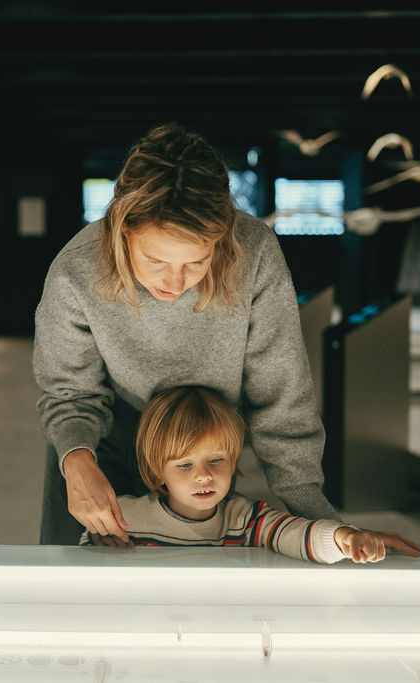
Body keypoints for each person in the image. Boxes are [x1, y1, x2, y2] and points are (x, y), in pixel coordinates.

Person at [34, 121, 340, 546]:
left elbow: (281, 392)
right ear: (123, 230)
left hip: (203, 447)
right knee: (76, 586)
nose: (176, 284)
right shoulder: (77, 268)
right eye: (156, 260)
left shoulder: (255, 251)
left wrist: (313, 512)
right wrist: (77, 460)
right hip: (104, 443)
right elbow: (69, 392)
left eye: (196, 262)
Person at [80, 386, 420, 563]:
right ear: (158, 471)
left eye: (216, 460)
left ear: (234, 461)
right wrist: (97, 547)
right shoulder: (123, 517)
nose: (203, 476)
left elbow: (296, 534)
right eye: (185, 464)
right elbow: (83, 566)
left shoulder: (246, 519)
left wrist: (345, 538)